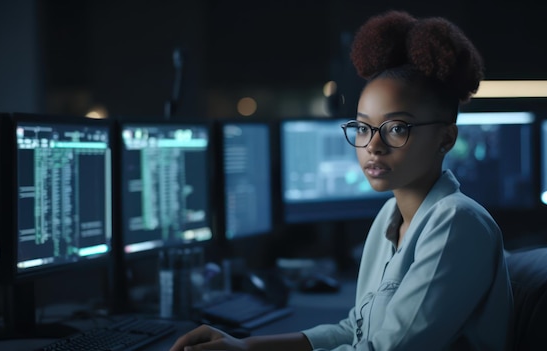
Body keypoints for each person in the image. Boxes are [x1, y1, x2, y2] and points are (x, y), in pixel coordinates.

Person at [170, 9, 513, 351]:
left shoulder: (456, 222)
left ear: (446, 138)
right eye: (363, 127)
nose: (372, 146)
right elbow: (356, 330)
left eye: (396, 128)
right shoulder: (389, 218)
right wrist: (248, 347)